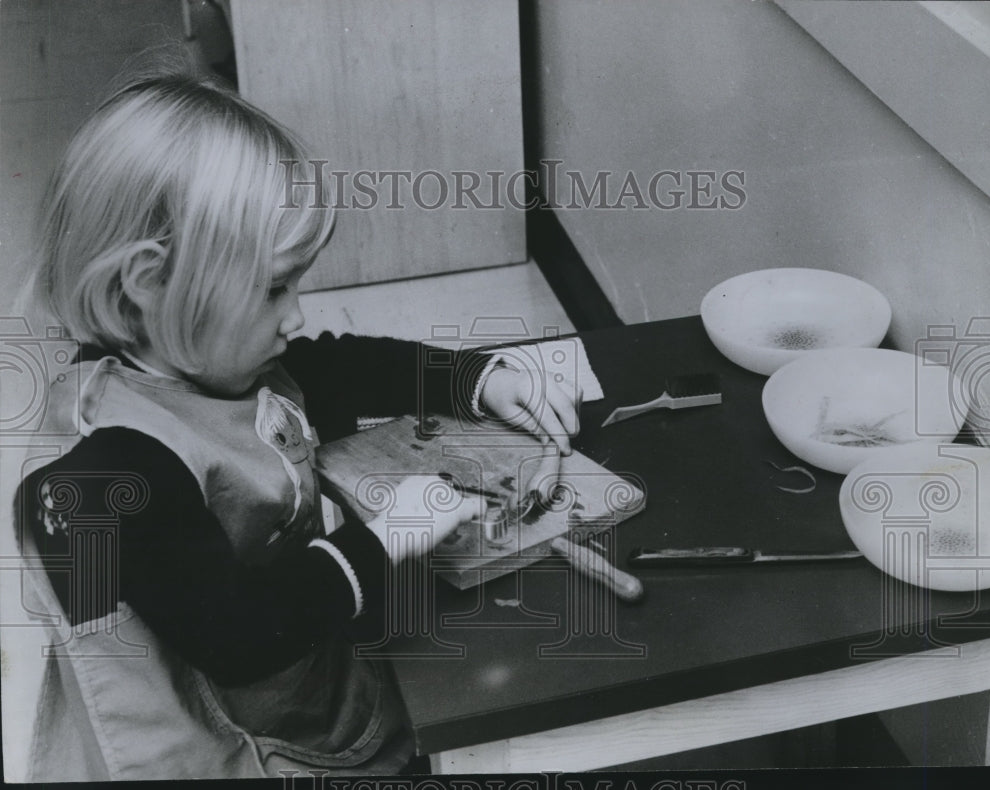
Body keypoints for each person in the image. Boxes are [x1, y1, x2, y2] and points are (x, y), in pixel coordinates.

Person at [14, 70, 580, 780]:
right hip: (228, 747)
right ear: (149, 283)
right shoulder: (114, 470)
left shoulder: (193, 357)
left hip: (289, 684)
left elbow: (334, 369)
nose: (297, 315)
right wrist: (390, 536)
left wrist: (478, 379)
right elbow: (242, 635)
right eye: (274, 287)